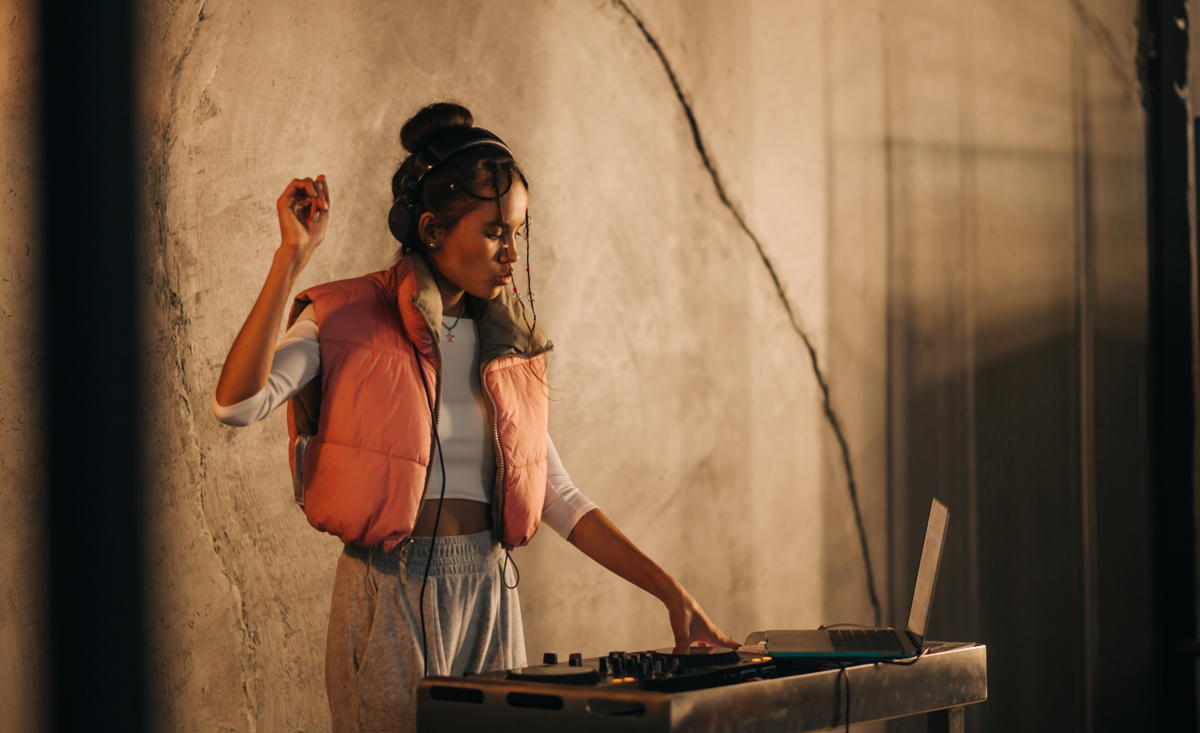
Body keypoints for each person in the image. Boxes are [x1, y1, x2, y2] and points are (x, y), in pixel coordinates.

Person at [212, 102, 737, 733]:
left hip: (490, 591)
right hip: (389, 596)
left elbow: (556, 493)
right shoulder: (345, 316)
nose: (512, 251)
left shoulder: (508, 347)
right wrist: (290, 259)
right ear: (431, 229)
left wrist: (669, 591)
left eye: (518, 231)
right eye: (494, 232)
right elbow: (237, 404)